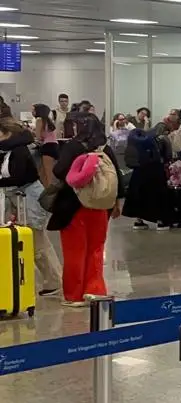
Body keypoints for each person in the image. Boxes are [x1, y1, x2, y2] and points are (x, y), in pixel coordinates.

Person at [47, 112, 124, 307]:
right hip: (100, 207)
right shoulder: (104, 147)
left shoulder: (74, 146)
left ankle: (75, 295)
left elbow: (59, 170)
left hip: (75, 207)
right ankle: (95, 290)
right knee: (96, 249)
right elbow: (118, 175)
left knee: (75, 251)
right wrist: (118, 202)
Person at [0, 116, 62, 295]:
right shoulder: (11, 150)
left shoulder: (19, 151)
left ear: (7, 133)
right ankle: (53, 278)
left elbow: (19, 177)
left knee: (38, 243)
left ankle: (54, 280)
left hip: (29, 200)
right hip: (21, 199)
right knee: (36, 241)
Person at [123, 123, 172, 230]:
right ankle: (161, 222)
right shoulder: (163, 138)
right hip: (156, 170)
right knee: (158, 195)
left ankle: (139, 221)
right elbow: (168, 156)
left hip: (139, 170)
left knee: (140, 194)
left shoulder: (139, 139)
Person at [32, 103, 58, 187]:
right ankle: (46, 191)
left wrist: (30, 132)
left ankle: (50, 195)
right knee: (43, 172)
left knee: (48, 174)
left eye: (33, 110)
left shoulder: (39, 120)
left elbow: (38, 137)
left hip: (47, 147)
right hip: (54, 145)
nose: (32, 112)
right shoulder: (48, 120)